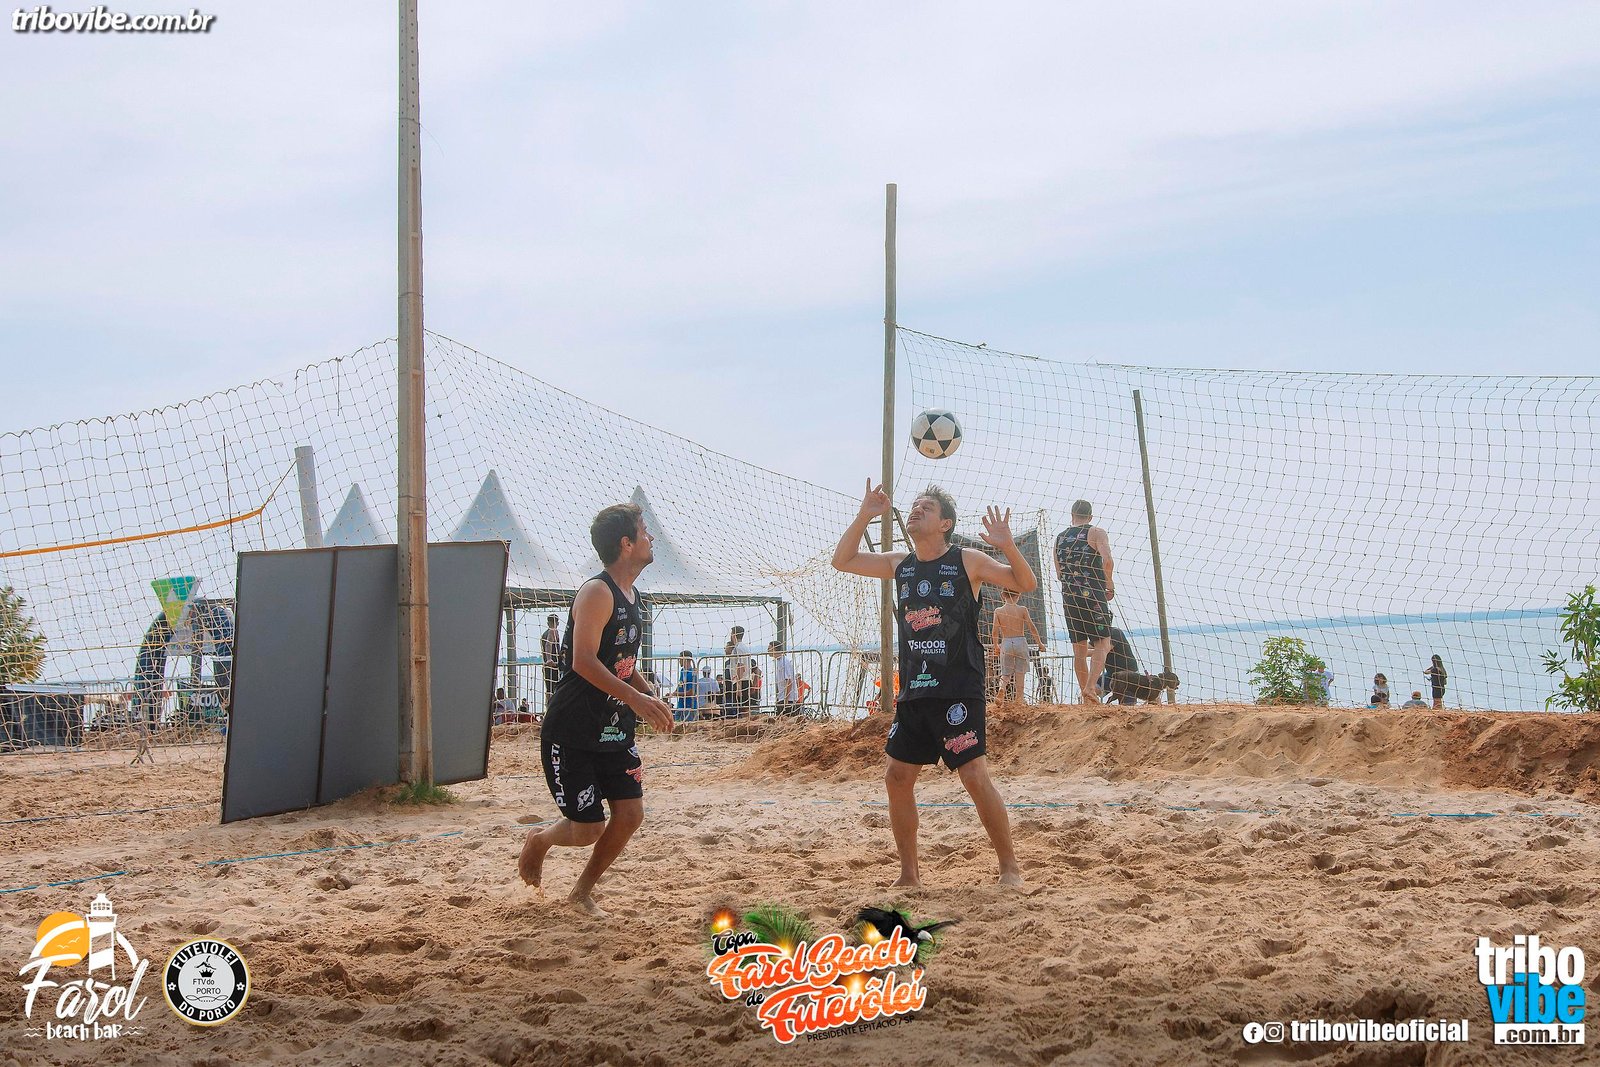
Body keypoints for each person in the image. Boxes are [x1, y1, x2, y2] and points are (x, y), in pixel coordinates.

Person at [833, 480, 1032, 888]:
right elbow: (843, 560)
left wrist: (1008, 544)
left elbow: (1024, 583)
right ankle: (909, 874)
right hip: (915, 691)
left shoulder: (967, 560)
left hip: (959, 688)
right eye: (915, 505)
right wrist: (865, 514)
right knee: (896, 777)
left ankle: (1009, 867)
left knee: (973, 775)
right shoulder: (900, 563)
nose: (916, 510)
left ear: (945, 524)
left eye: (926, 507)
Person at [518, 503, 675, 915]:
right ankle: (540, 840)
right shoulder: (596, 592)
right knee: (588, 828)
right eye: (644, 531)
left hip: (614, 728)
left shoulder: (633, 596)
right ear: (627, 544)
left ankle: (581, 892)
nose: (651, 537)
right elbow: (584, 662)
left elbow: (620, 662)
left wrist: (647, 693)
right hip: (573, 729)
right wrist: (636, 699)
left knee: (630, 814)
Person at [1054, 500, 1115, 703]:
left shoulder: (1060, 538)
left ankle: (1087, 699)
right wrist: (1109, 583)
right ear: (1090, 517)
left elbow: (1059, 573)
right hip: (1093, 594)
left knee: (1079, 651)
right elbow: (1108, 560)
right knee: (1103, 643)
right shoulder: (1096, 532)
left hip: (1069, 597)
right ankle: (1090, 687)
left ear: (1072, 515)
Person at [991, 588, 1046, 703]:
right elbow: (1031, 627)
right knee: (1020, 673)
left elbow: (995, 631)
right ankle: (1019, 699)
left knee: (1005, 673)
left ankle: (1002, 688)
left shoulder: (998, 611)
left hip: (1006, 642)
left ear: (1003, 596)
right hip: (1020, 641)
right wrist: (1040, 643)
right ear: (1018, 596)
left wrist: (996, 646)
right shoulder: (1022, 609)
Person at [1097, 625, 1141, 704]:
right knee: (1091, 688)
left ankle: (1154, 699)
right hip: (1112, 674)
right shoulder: (1098, 636)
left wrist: (1082, 653)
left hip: (1128, 676)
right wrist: (1080, 650)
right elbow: (1086, 647)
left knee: (1127, 705)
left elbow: (1103, 650)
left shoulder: (1115, 632)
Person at [768, 641, 799, 714]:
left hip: (788, 699)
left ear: (775, 649)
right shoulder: (779, 661)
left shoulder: (784, 662)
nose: (768, 650)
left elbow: (789, 681)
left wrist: (786, 700)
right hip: (782, 697)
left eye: (769, 648)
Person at [726, 627, 752, 712]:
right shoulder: (743, 647)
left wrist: (738, 686)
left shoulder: (738, 648)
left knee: (742, 709)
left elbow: (740, 667)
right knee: (743, 708)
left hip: (741, 681)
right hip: (744, 680)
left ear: (734, 635)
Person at [540, 614, 562, 710]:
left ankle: (548, 709)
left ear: (547, 623)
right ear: (557, 623)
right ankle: (553, 709)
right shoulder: (553, 631)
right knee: (555, 689)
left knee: (549, 689)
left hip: (546, 666)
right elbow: (548, 644)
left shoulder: (544, 633)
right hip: (553, 665)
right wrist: (549, 659)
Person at [673, 651, 700, 722]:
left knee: (688, 725)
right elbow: (680, 684)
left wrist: (677, 694)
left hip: (689, 705)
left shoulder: (692, 673)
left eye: (680, 659)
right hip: (681, 705)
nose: (679, 661)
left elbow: (691, 692)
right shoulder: (682, 671)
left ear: (685, 659)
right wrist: (673, 693)